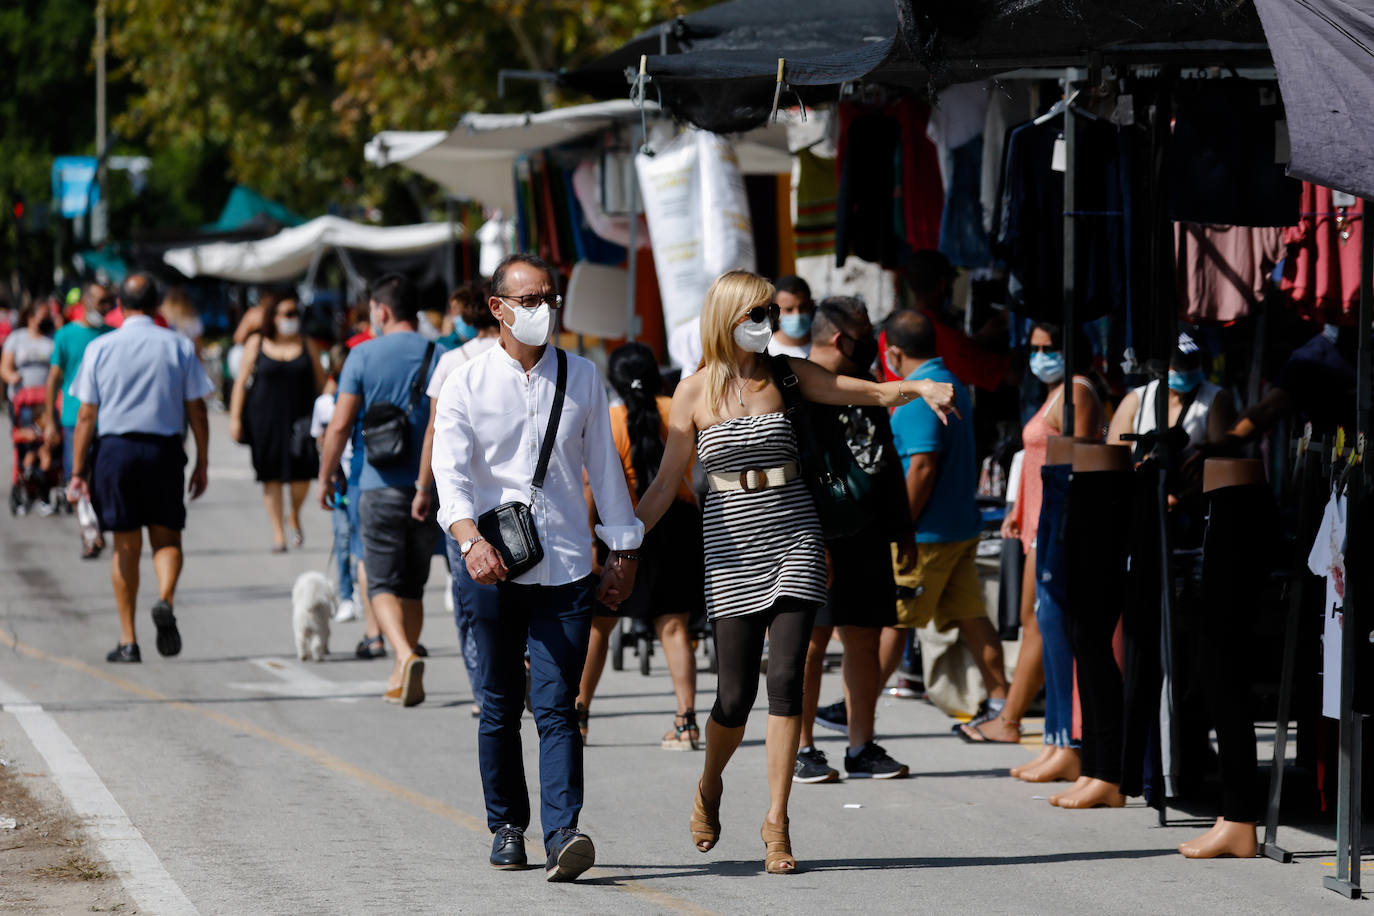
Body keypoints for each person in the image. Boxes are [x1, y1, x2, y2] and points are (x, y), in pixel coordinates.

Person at [632, 270, 956, 875]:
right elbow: (664, 482)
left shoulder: (787, 374)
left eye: (770, 314)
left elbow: (866, 392)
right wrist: (624, 541)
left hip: (796, 535)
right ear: (726, 317)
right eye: (756, 313)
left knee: (785, 680)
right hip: (729, 548)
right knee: (734, 695)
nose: (769, 324)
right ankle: (710, 783)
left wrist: (918, 388)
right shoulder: (694, 392)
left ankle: (777, 825)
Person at [431, 254, 643, 881]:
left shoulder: (582, 375)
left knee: (557, 708)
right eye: (530, 299)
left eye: (550, 297)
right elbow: (451, 475)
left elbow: (604, 470)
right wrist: (470, 541)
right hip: (491, 567)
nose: (543, 309)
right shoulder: (465, 382)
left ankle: (563, 834)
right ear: (497, 308)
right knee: (498, 706)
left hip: (568, 568)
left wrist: (623, 551)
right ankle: (506, 826)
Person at [794, 297, 917, 784]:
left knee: (864, 640)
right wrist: (808, 534)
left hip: (866, 533)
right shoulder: (795, 383)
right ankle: (803, 748)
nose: (872, 343)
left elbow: (886, 458)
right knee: (809, 644)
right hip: (813, 532)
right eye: (864, 333)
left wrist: (902, 526)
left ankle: (861, 746)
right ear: (841, 338)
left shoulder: (869, 389)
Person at [967, 320, 1103, 752]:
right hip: (1036, 520)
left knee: (1041, 622)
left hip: (1057, 521)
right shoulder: (1057, 391)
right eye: (1035, 347)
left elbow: (1078, 457)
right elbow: (1037, 459)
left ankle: (1019, 721)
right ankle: (1039, 729)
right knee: (1035, 621)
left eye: (1049, 346)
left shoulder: (1077, 391)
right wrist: (1017, 508)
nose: (1040, 355)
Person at [65, 274, 214, 663]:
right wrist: (203, 460)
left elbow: (85, 414)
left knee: (125, 545)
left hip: (115, 450)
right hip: (163, 449)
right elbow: (197, 408)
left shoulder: (100, 347)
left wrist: (78, 469)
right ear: (156, 304)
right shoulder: (179, 346)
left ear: (121, 305)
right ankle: (164, 599)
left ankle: (129, 640)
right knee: (167, 539)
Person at [318, 273, 444, 704]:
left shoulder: (362, 356)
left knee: (381, 584)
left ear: (382, 310)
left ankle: (405, 654)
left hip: (377, 486)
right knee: (413, 586)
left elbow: (339, 425)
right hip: (430, 490)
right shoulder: (442, 355)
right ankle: (399, 669)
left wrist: (326, 476)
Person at [883, 310, 1008, 731]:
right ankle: (1000, 703)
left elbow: (921, 468)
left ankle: (854, 706)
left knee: (892, 621)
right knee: (973, 616)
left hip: (927, 534)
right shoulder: (950, 381)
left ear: (894, 352)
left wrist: (901, 527)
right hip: (957, 527)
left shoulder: (921, 393)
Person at [577, 342, 705, 749]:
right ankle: (686, 721)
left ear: (613, 379)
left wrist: (589, 544)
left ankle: (578, 717)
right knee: (674, 627)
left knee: (600, 627)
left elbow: (589, 487)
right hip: (678, 525)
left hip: (621, 530)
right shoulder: (679, 410)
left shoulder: (610, 421)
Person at [424, 282, 501, 716]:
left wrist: (423, 487)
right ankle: (523, 660)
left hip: (464, 507)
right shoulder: (531, 361)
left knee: (471, 600)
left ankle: (483, 691)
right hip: (516, 504)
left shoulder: (452, 361)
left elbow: (435, 433)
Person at [230, 294, 325, 551]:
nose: (292, 319)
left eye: (295, 313)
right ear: (274, 317)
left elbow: (322, 382)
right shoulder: (257, 342)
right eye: (287, 313)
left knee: (302, 475)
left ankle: (294, 512)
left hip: (301, 420)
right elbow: (240, 382)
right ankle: (278, 533)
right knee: (270, 476)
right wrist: (235, 418)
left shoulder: (307, 344)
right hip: (265, 420)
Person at [44, 283, 115, 556]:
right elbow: (54, 378)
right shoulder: (65, 335)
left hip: (108, 420)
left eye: (109, 301)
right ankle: (89, 532)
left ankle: (98, 526)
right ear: (85, 301)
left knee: (101, 480)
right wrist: (51, 419)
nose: (105, 307)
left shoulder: (112, 335)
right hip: (75, 419)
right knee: (77, 476)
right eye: (100, 301)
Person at [880, 250, 1011, 392]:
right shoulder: (941, 337)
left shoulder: (887, 333)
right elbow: (1012, 375)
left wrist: (980, 338)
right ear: (944, 284)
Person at [311, 345, 361, 624]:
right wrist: (328, 472)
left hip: (359, 475)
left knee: (359, 540)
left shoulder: (360, 397)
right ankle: (346, 596)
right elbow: (320, 438)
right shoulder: (324, 404)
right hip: (340, 479)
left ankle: (356, 589)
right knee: (343, 540)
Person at [4, 301, 58, 504]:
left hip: (46, 402)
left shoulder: (52, 338)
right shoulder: (17, 339)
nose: (46, 320)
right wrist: (12, 377)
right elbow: (5, 367)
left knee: (46, 440)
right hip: (23, 401)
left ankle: (44, 478)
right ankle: (26, 473)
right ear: (30, 317)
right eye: (42, 315)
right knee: (26, 440)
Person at [768, 275, 814, 358]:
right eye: (789, 310)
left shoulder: (825, 347)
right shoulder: (766, 350)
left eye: (802, 307)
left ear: (811, 305)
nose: (797, 314)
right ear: (775, 311)